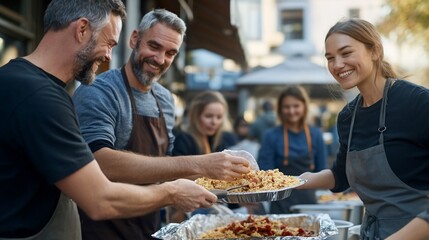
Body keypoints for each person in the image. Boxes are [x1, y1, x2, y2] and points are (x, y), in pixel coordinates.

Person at [0, 1, 242, 238]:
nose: (107, 56)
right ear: (82, 29)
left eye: (170, 53)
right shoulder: (44, 97)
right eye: (108, 43)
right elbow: (99, 198)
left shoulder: (17, 80)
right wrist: (176, 189)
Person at [72, 9, 249, 240]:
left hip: (151, 228)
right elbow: (98, 162)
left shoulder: (165, 99)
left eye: (170, 53)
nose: (160, 59)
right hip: (101, 230)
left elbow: (163, 168)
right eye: (154, 47)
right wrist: (200, 163)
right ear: (135, 38)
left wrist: (234, 185)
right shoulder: (100, 90)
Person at [299, 18, 429, 239]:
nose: (337, 64)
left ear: (375, 51)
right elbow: (340, 176)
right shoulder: (348, 116)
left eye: (346, 53)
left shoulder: (417, 103)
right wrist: (289, 182)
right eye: (330, 58)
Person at [258, 86, 327, 214]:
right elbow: (264, 173)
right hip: (280, 204)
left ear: (304, 107)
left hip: (309, 204)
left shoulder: (316, 134)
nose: (291, 111)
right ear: (280, 109)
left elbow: (322, 171)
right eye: (287, 107)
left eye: (296, 106)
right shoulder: (271, 136)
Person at [171, 91, 240, 220]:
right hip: (188, 209)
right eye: (208, 116)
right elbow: (175, 174)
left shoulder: (220, 140)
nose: (214, 122)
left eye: (219, 117)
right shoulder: (182, 138)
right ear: (196, 116)